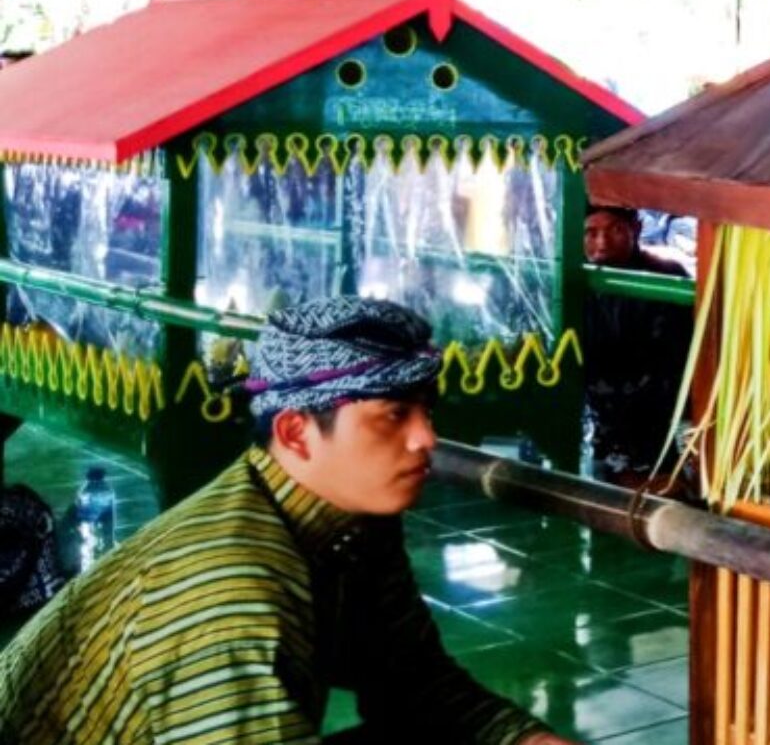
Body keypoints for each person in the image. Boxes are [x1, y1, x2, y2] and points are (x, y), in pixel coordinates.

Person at [0, 297, 576, 744]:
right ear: (296, 432)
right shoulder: (236, 590)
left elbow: (412, 682)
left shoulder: (353, 525)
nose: (426, 438)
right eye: (394, 415)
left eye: (426, 411)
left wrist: (529, 737)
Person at [581, 205, 695, 485]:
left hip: (650, 418)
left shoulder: (665, 275)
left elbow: (672, 365)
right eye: (591, 233)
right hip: (596, 414)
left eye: (615, 230)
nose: (602, 243)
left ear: (637, 229)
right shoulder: (575, 279)